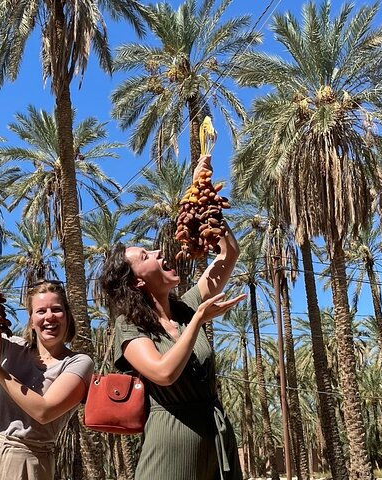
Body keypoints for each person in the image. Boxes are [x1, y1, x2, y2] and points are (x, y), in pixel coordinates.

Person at [98, 155, 246, 480]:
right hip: (169, 448)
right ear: (136, 281)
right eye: (144, 256)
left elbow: (228, 253)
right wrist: (198, 321)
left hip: (215, 440)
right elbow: (164, 374)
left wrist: (202, 193)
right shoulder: (131, 326)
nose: (158, 252)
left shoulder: (187, 306)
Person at [0, 260, 94, 480]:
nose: (49, 317)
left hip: (29, 459)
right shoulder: (11, 346)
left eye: (56, 310)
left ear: (68, 316)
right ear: (32, 320)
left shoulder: (78, 362)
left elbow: (44, 412)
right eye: (41, 311)